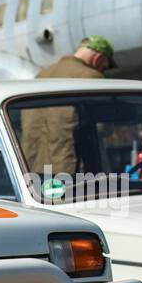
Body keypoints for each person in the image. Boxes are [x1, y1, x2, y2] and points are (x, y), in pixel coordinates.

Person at [21, 37, 116, 194]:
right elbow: (102, 126)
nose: (103, 69)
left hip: (34, 168)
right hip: (71, 170)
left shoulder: (41, 75)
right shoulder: (90, 76)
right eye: (105, 66)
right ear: (99, 57)